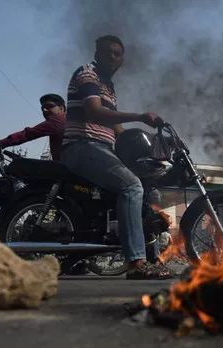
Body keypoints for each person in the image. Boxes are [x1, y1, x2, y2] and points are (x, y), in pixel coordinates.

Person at [61, 35, 172, 279]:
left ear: (122, 60)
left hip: (102, 148)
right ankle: (136, 263)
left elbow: (116, 128)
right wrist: (140, 116)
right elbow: (95, 112)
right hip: (82, 146)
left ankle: (148, 253)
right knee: (131, 187)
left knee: (142, 183)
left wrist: (145, 142)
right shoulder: (87, 74)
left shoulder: (109, 87)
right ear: (97, 53)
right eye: (108, 52)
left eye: (118, 54)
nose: (113, 57)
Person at [0, 94, 66, 160]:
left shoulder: (58, 121)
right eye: (42, 108)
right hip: (72, 169)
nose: (45, 110)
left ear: (62, 108)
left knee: (18, 167)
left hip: (68, 170)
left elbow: (26, 134)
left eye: (50, 106)